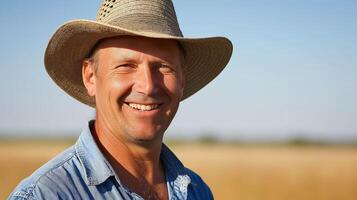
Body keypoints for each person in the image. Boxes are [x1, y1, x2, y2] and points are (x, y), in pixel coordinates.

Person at [9, 0, 232, 199]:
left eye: (163, 67)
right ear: (90, 76)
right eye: (126, 66)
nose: (148, 86)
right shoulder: (45, 194)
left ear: (182, 78)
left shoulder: (197, 190)